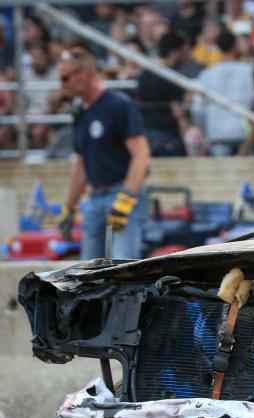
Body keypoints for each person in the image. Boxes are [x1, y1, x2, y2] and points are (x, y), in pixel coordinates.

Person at [55, 47, 150, 260]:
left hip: (121, 195)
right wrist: (69, 207)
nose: (62, 85)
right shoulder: (80, 112)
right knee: (89, 271)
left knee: (122, 266)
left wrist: (127, 197)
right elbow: (81, 163)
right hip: (94, 200)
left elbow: (141, 154)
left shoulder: (119, 105)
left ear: (84, 73)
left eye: (65, 77)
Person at [191, 30, 254, 156]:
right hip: (243, 134)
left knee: (223, 175)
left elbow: (197, 109)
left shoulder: (206, 75)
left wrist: (205, 130)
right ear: (235, 46)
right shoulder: (250, 72)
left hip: (217, 134)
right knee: (246, 175)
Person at [138, 31, 190, 157]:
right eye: (184, 51)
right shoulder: (170, 76)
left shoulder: (144, 74)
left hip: (148, 137)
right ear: (175, 53)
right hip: (169, 139)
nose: (187, 56)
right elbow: (177, 112)